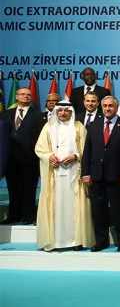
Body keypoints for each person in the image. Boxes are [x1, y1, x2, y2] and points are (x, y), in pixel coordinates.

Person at [35, 101, 94, 251]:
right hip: (53, 175)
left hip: (74, 174)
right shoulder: (48, 127)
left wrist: (75, 156)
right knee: (56, 205)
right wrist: (49, 156)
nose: (62, 113)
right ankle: (55, 241)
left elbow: (87, 150)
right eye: (59, 110)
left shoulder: (78, 127)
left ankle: (76, 241)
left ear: (71, 112)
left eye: (66, 111)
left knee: (74, 206)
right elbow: (39, 148)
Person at [82, 96, 120, 252]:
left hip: (116, 177)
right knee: (98, 211)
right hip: (96, 176)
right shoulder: (94, 125)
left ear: (116, 108)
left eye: (110, 106)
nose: (107, 108)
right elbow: (87, 151)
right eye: (104, 105)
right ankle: (101, 241)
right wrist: (86, 173)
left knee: (118, 211)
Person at [1, 88, 40, 225]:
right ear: (16, 96)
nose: (26, 96)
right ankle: (14, 216)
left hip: (29, 159)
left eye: (28, 95)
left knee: (29, 189)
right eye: (22, 94)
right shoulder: (5, 114)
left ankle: (29, 216)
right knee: (13, 189)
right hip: (10, 159)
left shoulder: (37, 115)